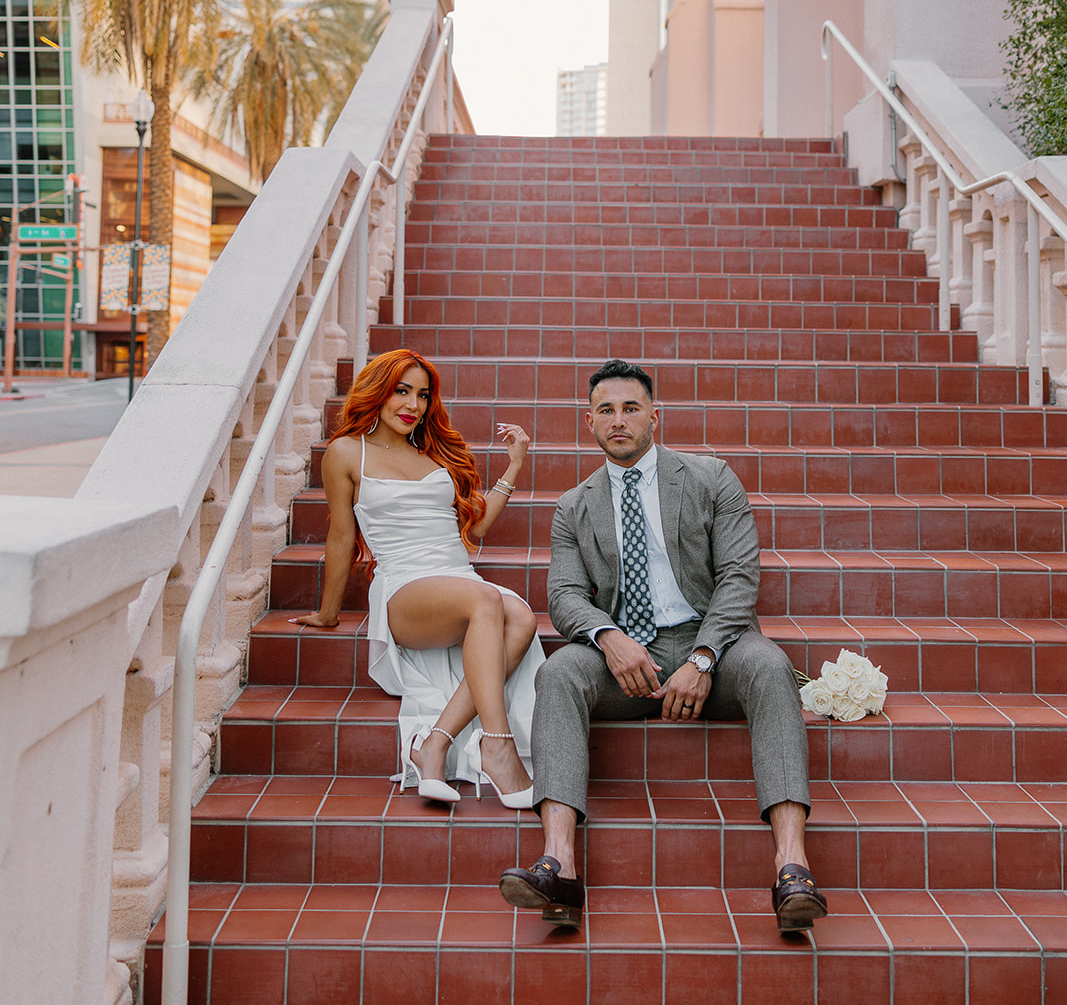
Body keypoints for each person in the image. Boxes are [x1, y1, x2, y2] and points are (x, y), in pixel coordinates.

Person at [499, 358, 825, 929]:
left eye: (631, 408)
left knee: (771, 667)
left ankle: (791, 865)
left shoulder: (711, 478)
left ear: (656, 415)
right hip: (628, 661)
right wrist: (609, 637)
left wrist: (703, 657)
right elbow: (567, 596)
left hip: (714, 649)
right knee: (558, 674)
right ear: (589, 422)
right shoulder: (574, 506)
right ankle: (559, 864)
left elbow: (740, 580)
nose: (618, 420)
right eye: (606, 410)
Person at [291, 347, 544, 807]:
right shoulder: (347, 453)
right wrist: (328, 615)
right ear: (377, 392)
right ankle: (497, 745)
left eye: (422, 396)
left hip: (455, 577)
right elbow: (340, 539)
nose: (412, 405)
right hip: (405, 587)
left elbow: (477, 528)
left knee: (523, 618)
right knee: (486, 601)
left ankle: (435, 743)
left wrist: (514, 466)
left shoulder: (434, 456)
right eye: (401, 391)